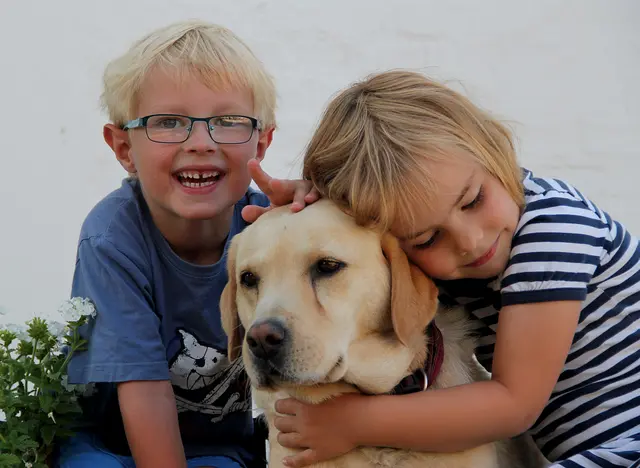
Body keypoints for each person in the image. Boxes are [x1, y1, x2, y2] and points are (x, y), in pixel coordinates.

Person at [243, 70, 640, 467]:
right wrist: (312, 203)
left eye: (472, 201)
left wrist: (352, 424)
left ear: (492, 147)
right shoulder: (446, 263)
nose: (469, 241)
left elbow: (512, 404)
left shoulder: (555, 231)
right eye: (427, 239)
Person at [55, 20, 315, 468]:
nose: (200, 143)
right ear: (123, 148)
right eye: (168, 122)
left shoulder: (269, 230)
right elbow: (145, 392)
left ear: (263, 141)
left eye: (228, 121)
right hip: (109, 445)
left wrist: (318, 210)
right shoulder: (113, 238)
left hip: (217, 448)